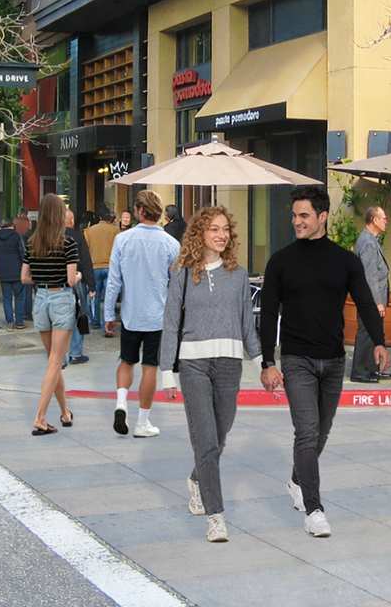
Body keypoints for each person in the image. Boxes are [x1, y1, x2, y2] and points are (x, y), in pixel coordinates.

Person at [259, 186, 391, 538]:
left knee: (321, 431)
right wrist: (267, 362)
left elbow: (365, 302)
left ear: (322, 217)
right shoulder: (281, 261)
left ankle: (296, 479)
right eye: (294, 215)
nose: (296, 221)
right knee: (306, 431)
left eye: (303, 215)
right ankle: (314, 509)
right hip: (297, 359)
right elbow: (268, 313)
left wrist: (378, 341)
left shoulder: (345, 261)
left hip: (333, 361)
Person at [160, 206, 262, 543]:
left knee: (219, 436)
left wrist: (263, 363)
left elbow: (248, 324)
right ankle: (215, 517)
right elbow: (171, 324)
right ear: (200, 233)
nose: (221, 235)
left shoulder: (238, 274)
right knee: (205, 440)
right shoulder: (183, 274)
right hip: (193, 366)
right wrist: (166, 372)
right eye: (213, 229)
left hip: (230, 364)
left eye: (225, 230)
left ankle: (197, 478)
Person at [105, 190, 180, 438]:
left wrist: (108, 315)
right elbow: (178, 284)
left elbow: (114, 281)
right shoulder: (171, 243)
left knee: (126, 361)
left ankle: (121, 402)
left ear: (138, 211)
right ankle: (143, 422)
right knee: (150, 368)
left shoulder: (123, 240)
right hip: (157, 316)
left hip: (130, 314)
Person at [21, 194, 80, 436]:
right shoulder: (68, 243)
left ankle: (65, 412)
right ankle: (40, 417)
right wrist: (78, 278)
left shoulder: (32, 243)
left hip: (41, 299)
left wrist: (43, 278)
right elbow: (70, 279)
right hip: (61, 299)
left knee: (52, 362)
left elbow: (24, 277)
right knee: (56, 361)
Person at [351, 205, 391, 383]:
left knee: (373, 331)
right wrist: (377, 302)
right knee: (366, 332)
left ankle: (372, 368)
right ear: (374, 220)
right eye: (383, 218)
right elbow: (370, 276)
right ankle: (359, 370)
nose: (386, 222)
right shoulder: (368, 243)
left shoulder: (372, 239)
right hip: (370, 299)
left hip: (372, 297)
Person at [65, 209, 96, 365]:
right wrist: (91, 285)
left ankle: (60, 355)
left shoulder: (50, 235)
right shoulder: (77, 236)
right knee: (79, 316)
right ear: (71, 221)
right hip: (76, 280)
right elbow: (85, 261)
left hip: (55, 282)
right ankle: (76, 353)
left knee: (60, 319)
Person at [84, 207, 120, 336]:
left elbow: (85, 249)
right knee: (109, 297)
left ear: (98, 218)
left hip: (94, 267)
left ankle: (95, 321)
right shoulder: (115, 231)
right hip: (110, 267)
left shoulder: (89, 231)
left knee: (95, 295)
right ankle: (108, 324)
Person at [0, 218, 27, 331]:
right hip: (17, 270)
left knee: (7, 297)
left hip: (3, 271)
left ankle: (10, 322)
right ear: (12, 226)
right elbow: (23, 252)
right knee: (19, 296)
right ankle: (19, 321)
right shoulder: (17, 236)